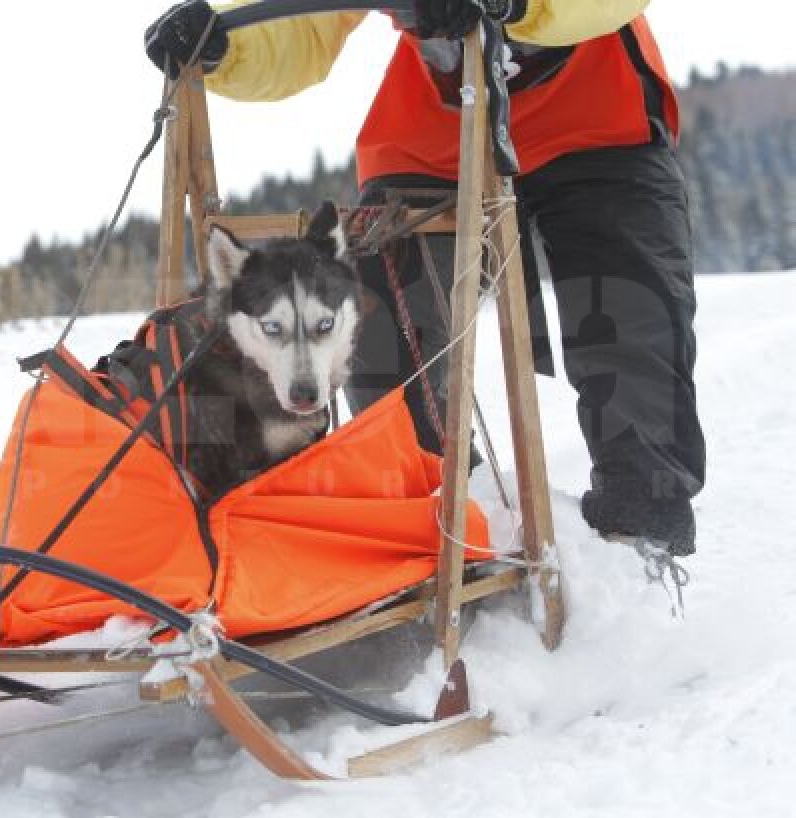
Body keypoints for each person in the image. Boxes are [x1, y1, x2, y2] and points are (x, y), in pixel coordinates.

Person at [143, 0, 705, 557]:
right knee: (384, 326)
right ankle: (447, 516)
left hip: (597, 111)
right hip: (438, 131)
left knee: (633, 320)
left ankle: (643, 535)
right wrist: (225, 45)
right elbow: (301, 20)